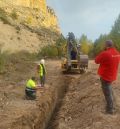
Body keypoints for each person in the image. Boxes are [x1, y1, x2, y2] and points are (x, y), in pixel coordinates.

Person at [95, 40, 120, 114]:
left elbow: (96, 61)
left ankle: (110, 110)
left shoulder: (105, 53)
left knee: (107, 93)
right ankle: (112, 105)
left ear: (106, 45)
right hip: (112, 75)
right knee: (109, 90)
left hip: (105, 76)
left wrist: (103, 52)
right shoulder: (117, 53)